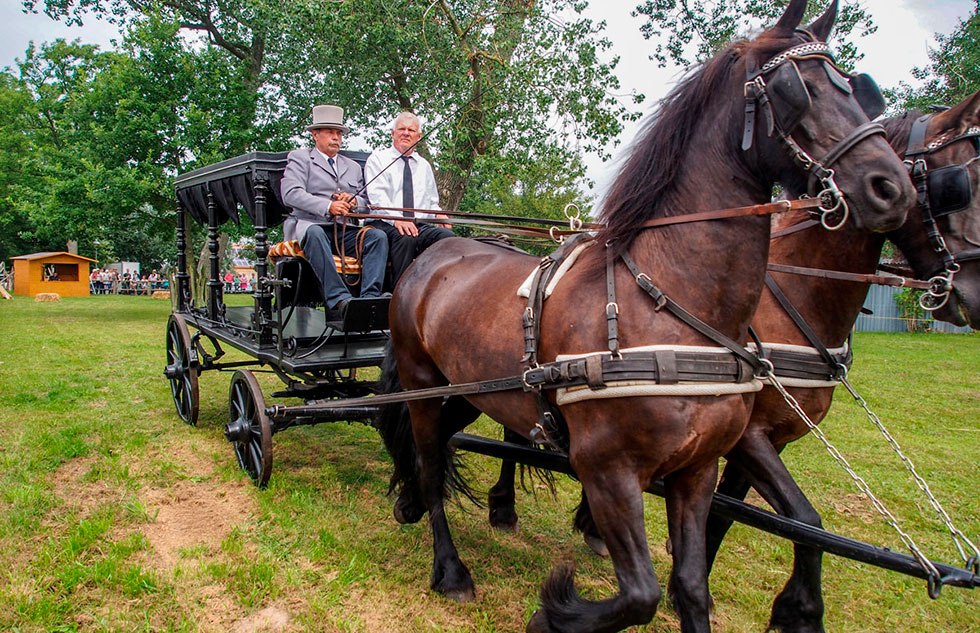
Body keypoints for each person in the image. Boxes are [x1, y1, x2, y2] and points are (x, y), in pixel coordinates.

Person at [281, 104, 389, 319]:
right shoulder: (301, 158)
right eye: (330, 132)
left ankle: (369, 299)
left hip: (343, 229)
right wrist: (328, 206)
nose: (336, 138)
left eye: (339, 133)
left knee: (377, 236)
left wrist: (352, 201)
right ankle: (339, 299)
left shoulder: (353, 166)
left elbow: (366, 201)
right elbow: (291, 193)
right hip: (310, 226)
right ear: (315, 135)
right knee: (315, 233)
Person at [364, 111, 453, 285]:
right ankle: (400, 294)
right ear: (393, 134)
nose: (406, 133)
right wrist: (398, 220)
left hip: (418, 223)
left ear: (418, 136)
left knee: (447, 238)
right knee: (406, 236)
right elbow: (377, 199)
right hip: (385, 222)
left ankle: (437, 289)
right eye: (402, 129)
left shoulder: (424, 166)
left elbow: (431, 202)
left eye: (411, 130)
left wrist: (439, 215)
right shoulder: (378, 159)